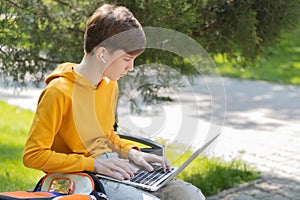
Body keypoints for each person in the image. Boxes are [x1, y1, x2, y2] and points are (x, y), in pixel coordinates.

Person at [23, 4, 205, 200]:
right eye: (127, 59)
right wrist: (94, 164)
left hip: (113, 164)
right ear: (102, 54)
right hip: (83, 174)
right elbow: (34, 155)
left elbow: (107, 136)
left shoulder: (109, 85)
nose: (131, 67)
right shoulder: (58, 92)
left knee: (191, 195)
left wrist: (132, 153)